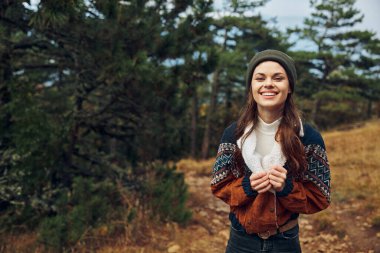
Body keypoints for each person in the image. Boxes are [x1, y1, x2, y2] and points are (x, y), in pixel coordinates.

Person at [211, 49, 331, 253]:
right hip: (240, 241)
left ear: (289, 86)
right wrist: (247, 186)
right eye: (260, 78)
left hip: (285, 242)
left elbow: (320, 196)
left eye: (278, 78)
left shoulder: (307, 137)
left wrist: (286, 188)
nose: (268, 84)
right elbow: (219, 185)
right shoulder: (234, 133)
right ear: (251, 87)